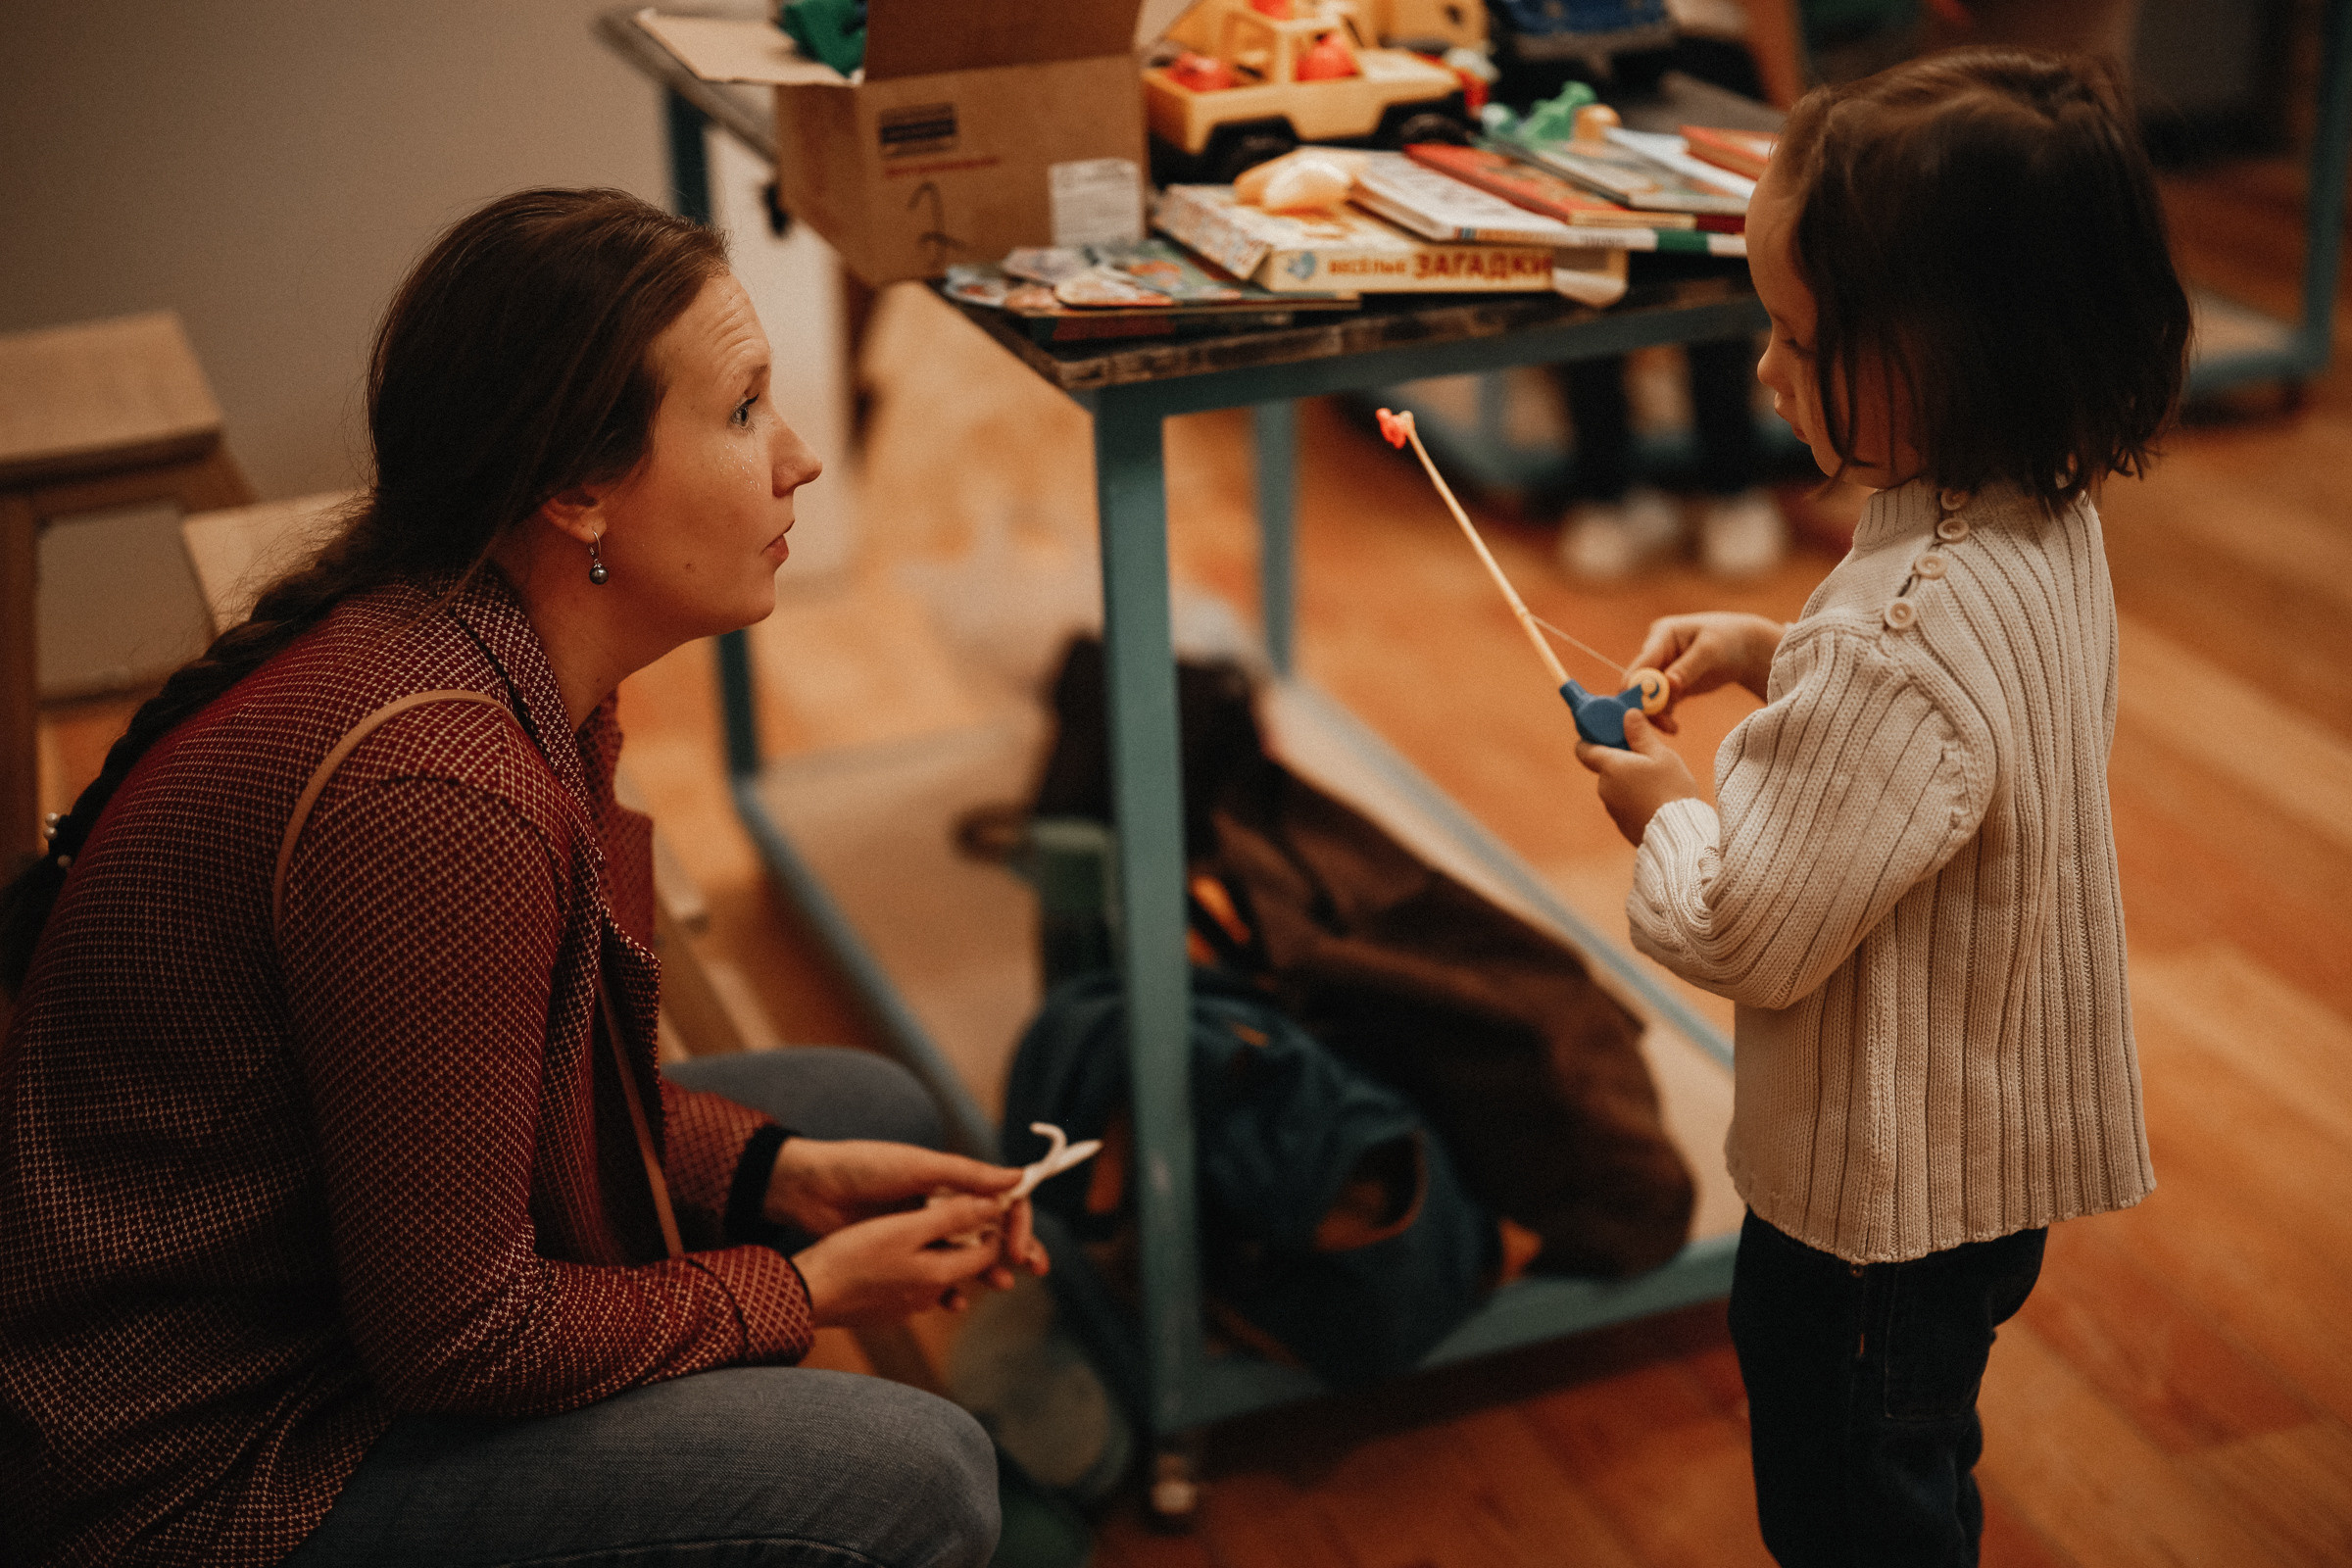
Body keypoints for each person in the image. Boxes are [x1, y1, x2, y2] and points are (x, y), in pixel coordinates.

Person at [0, 188, 1045, 1568]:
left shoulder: (487, 648)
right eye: (742, 413)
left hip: (320, 1307)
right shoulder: (442, 796)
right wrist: (788, 1290)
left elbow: (526, 1092)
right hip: (206, 1471)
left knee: (856, 1114)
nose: (798, 460)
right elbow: (458, 1333)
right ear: (574, 489)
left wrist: (787, 1178)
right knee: (916, 1482)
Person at [1571, 50, 2188, 1566]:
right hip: (1981, 1172)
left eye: (1795, 335)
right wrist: (1771, 651)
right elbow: (1962, 748)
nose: (1767, 372)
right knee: (1921, 1461)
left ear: (1945, 350)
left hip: (1870, 1215)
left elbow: (1746, 925)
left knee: (1859, 1515)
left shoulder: (1898, 638)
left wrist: (1663, 811)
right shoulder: (2045, 515)